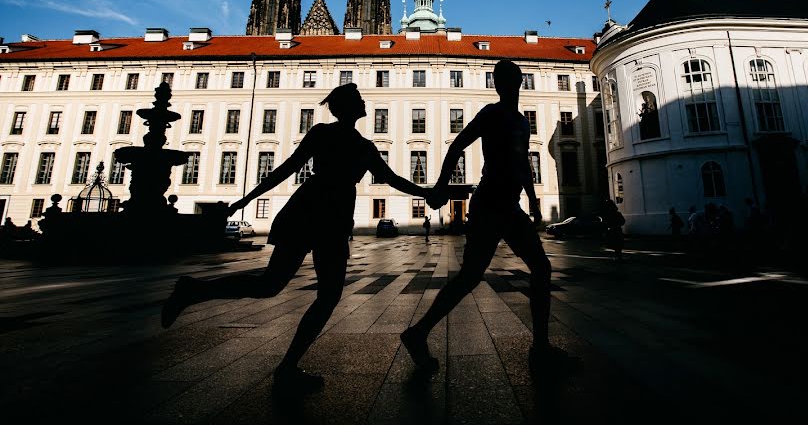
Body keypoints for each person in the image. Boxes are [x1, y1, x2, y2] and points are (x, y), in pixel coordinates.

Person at [161, 83, 429, 391]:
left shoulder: (332, 137)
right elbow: (391, 179)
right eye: (358, 98)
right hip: (327, 215)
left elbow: (286, 170)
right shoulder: (360, 145)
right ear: (347, 106)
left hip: (309, 209)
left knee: (272, 285)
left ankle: (194, 291)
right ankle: (285, 365)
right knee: (319, 294)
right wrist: (429, 193)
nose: (363, 101)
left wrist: (246, 200)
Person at [400, 60, 566, 372]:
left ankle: (540, 348)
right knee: (472, 276)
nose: (511, 84)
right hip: (489, 203)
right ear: (505, 84)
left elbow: (522, 164)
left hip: (509, 206)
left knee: (538, 269)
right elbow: (457, 146)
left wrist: (532, 200)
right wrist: (440, 185)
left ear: (516, 82)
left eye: (512, 79)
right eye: (507, 80)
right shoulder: (492, 114)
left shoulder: (521, 121)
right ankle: (418, 332)